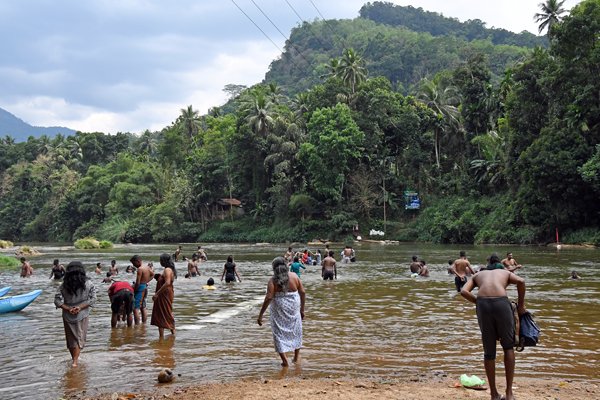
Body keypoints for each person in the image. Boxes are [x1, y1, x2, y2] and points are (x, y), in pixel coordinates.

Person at [460, 253, 526, 400]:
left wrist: (478, 302)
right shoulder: (505, 272)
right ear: (500, 264)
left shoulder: (479, 275)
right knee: (508, 346)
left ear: (488, 264)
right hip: (501, 303)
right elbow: (521, 281)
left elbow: (464, 291)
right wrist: (521, 306)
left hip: (483, 304)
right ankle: (509, 393)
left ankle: (494, 394)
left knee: (489, 351)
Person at [257, 257, 306, 367]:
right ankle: (296, 357)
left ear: (274, 268)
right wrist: (302, 309)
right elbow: (302, 292)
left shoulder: (272, 280)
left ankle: (285, 361)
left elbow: (269, 297)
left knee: (278, 332)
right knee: (296, 329)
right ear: (286, 266)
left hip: (278, 309)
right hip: (294, 307)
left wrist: (260, 315)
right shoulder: (294, 276)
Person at [54, 261, 97, 367]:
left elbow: (57, 301)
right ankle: (75, 362)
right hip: (82, 313)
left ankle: (74, 359)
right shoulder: (89, 284)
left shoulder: (63, 285)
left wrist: (68, 308)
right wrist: (79, 307)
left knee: (70, 338)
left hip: (67, 314)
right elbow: (93, 299)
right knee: (79, 337)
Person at [151, 253, 176, 339]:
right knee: (166, 312)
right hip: (167, 293)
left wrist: (157, 294)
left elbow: (168, 282)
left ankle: (161, 338)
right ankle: (172, 334)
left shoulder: (167, 270)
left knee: (162, 313)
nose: (160, 261)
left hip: (164, 294)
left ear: (164, 261)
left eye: (160, 260)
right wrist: (159, 278)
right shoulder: (169, 269)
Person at [130, 255, 153, 325]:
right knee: (143, 307)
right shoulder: (147, 267)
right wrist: (146, 281)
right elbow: (153, 275)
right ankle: (144, 324)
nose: (134, 265)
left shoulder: (140, 269)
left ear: (138, 261)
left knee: (135, 308)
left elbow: (137, 282)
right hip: (145, 287)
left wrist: (134, 290)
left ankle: (137, 325)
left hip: (140, 289)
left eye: (134, 263)